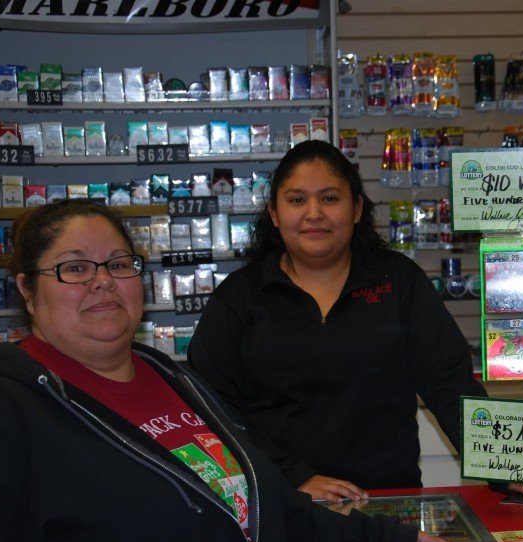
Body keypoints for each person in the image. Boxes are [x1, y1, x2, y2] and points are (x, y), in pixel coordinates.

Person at [0, 200, 454, 542]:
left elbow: (256, 507)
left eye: (119, 264)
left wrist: (382, 540)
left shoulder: (173, 380)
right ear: (28, 290)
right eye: (74, 268)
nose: (103, 283)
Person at [187, 139, 487, 502]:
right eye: (297, 200)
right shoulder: (239, 297)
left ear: (357, 208)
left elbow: (451, 386)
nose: (314, 213)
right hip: (282, 503)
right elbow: (209, 409)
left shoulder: (397, 282)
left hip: (387, 505)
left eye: (330, 198)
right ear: (275, 213)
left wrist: (506, 466)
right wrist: (292, 478)